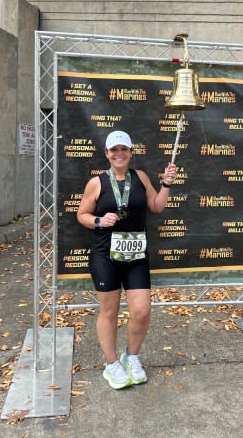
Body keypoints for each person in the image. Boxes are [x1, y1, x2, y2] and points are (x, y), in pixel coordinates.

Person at [77, 130, 177, 389]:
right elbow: (82, 215)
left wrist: (166, 183)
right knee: (109, 311)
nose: (119, 154)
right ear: (107, 154)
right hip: (105, 256)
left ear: (131, 152)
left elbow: (156, 206)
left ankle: (131, 357)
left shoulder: (140, 177)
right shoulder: (97, 182)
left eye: (124, 149)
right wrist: (99, 220)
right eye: (114, 150)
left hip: (136, 255)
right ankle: (111, 365)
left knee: (142, 311)